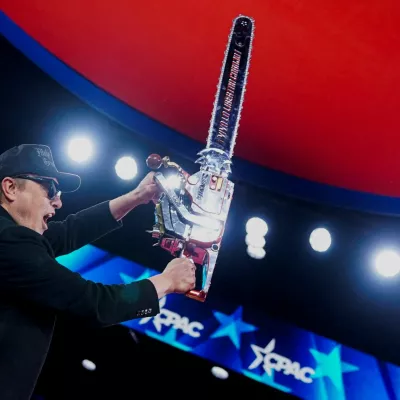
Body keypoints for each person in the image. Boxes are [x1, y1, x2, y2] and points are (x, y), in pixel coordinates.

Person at [0, 144, 196, 400]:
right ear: (10, 188)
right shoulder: (9, 241)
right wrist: (166, 281)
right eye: (51, 190)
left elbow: (70, 231)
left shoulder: (12, 237)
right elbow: (95, 302)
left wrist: (137, 196)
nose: (58, 201)